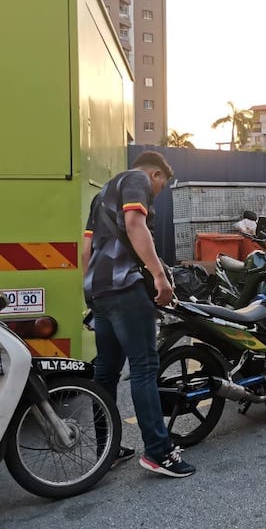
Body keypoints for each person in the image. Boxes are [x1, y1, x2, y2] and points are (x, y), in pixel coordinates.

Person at [82, 150, 195, 478]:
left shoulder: (102, 194)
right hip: (126, 288)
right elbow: (134, 224)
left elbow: (87, 248)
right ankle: (159, 451)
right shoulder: (137, 180)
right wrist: (159, 275)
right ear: (155, 175)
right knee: (145, 367)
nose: (156, 193)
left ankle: (107, 450)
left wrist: (90, 289)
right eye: (160, 187)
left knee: (106, 373)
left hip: (100, 291)